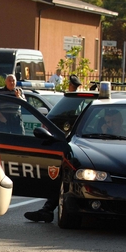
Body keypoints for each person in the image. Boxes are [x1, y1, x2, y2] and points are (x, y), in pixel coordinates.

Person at [24, 73, 82, 223]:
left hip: (77, 152)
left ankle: (48, 209)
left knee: (65, 179)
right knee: (60, 179)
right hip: (68, 149)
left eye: (71, 86)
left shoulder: (73, 104)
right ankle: (47, 209)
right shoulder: (71, 103)